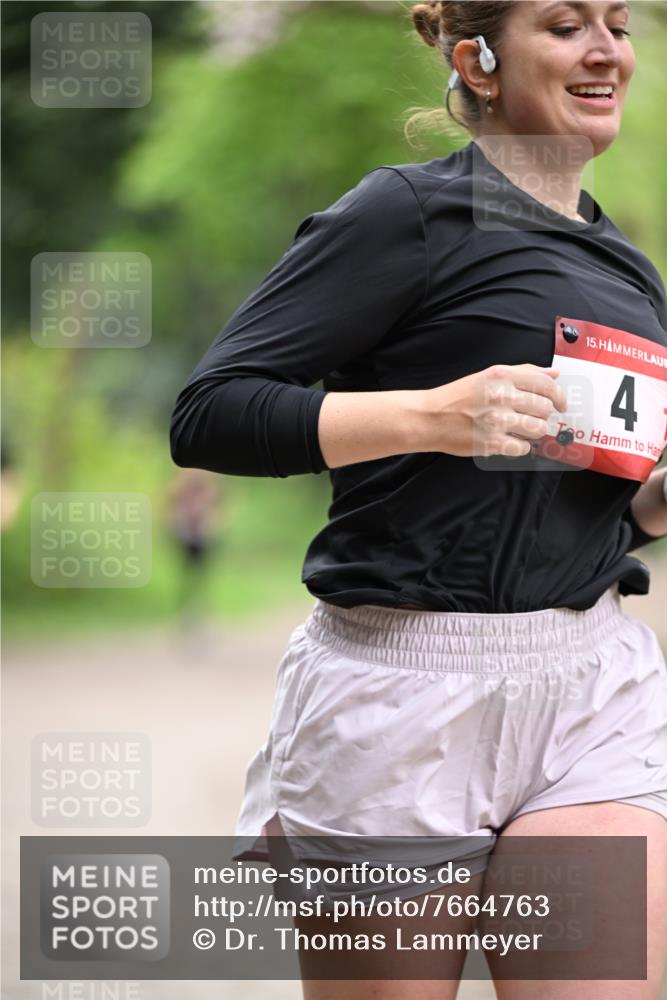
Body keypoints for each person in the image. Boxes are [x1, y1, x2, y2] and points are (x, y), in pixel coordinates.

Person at [169, 1, 667, 995]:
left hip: (588, 688)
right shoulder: (403, 213)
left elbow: (585, 508)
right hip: (399, 688)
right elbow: (210, 413)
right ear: (477, 60)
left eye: (617, 23)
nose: (605, 49)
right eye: (565, 24)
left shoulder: (629, 274)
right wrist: (430, 417)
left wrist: (654, 505)